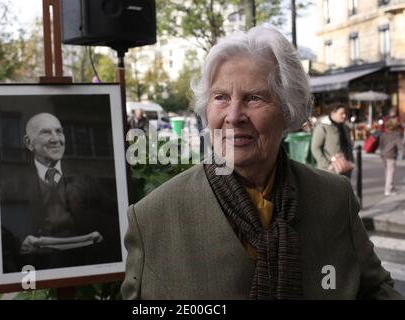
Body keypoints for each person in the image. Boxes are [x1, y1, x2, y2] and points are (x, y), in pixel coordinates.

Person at [121, 25, 402, 299]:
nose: (233, 116)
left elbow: (377, 290)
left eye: (253, 98)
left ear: (288, 109)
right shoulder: (152, 218)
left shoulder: (334, 199)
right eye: (221, 97)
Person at [0, 112, 122, 272]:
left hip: (85, 265)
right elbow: (5, 232)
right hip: (36, 269)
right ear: (29, 143)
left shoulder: (89, 179)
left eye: (59, 131)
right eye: (46, 132)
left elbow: (115, 218)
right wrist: (20, 243)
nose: (56, 139)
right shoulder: (10, 187)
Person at [311, 103, 355, 178]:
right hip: (329, 171)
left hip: (345, 168)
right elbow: (315, 148)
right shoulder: (322, 127)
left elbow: (348, 146)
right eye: (341, 113)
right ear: (333, 113)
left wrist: (351, 161)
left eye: (345, 113)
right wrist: (326, 165)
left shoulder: (345, 127)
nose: (344, 116)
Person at [379, 108, 405, 196]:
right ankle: (388, 190)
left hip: (383, 155)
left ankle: (390, 187)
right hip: (391, 155)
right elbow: (400, 146)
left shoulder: (384, 134)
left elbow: (381, 144)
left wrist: (381, 152)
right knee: (390, 172)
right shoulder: (396, 135)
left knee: (387, 171)